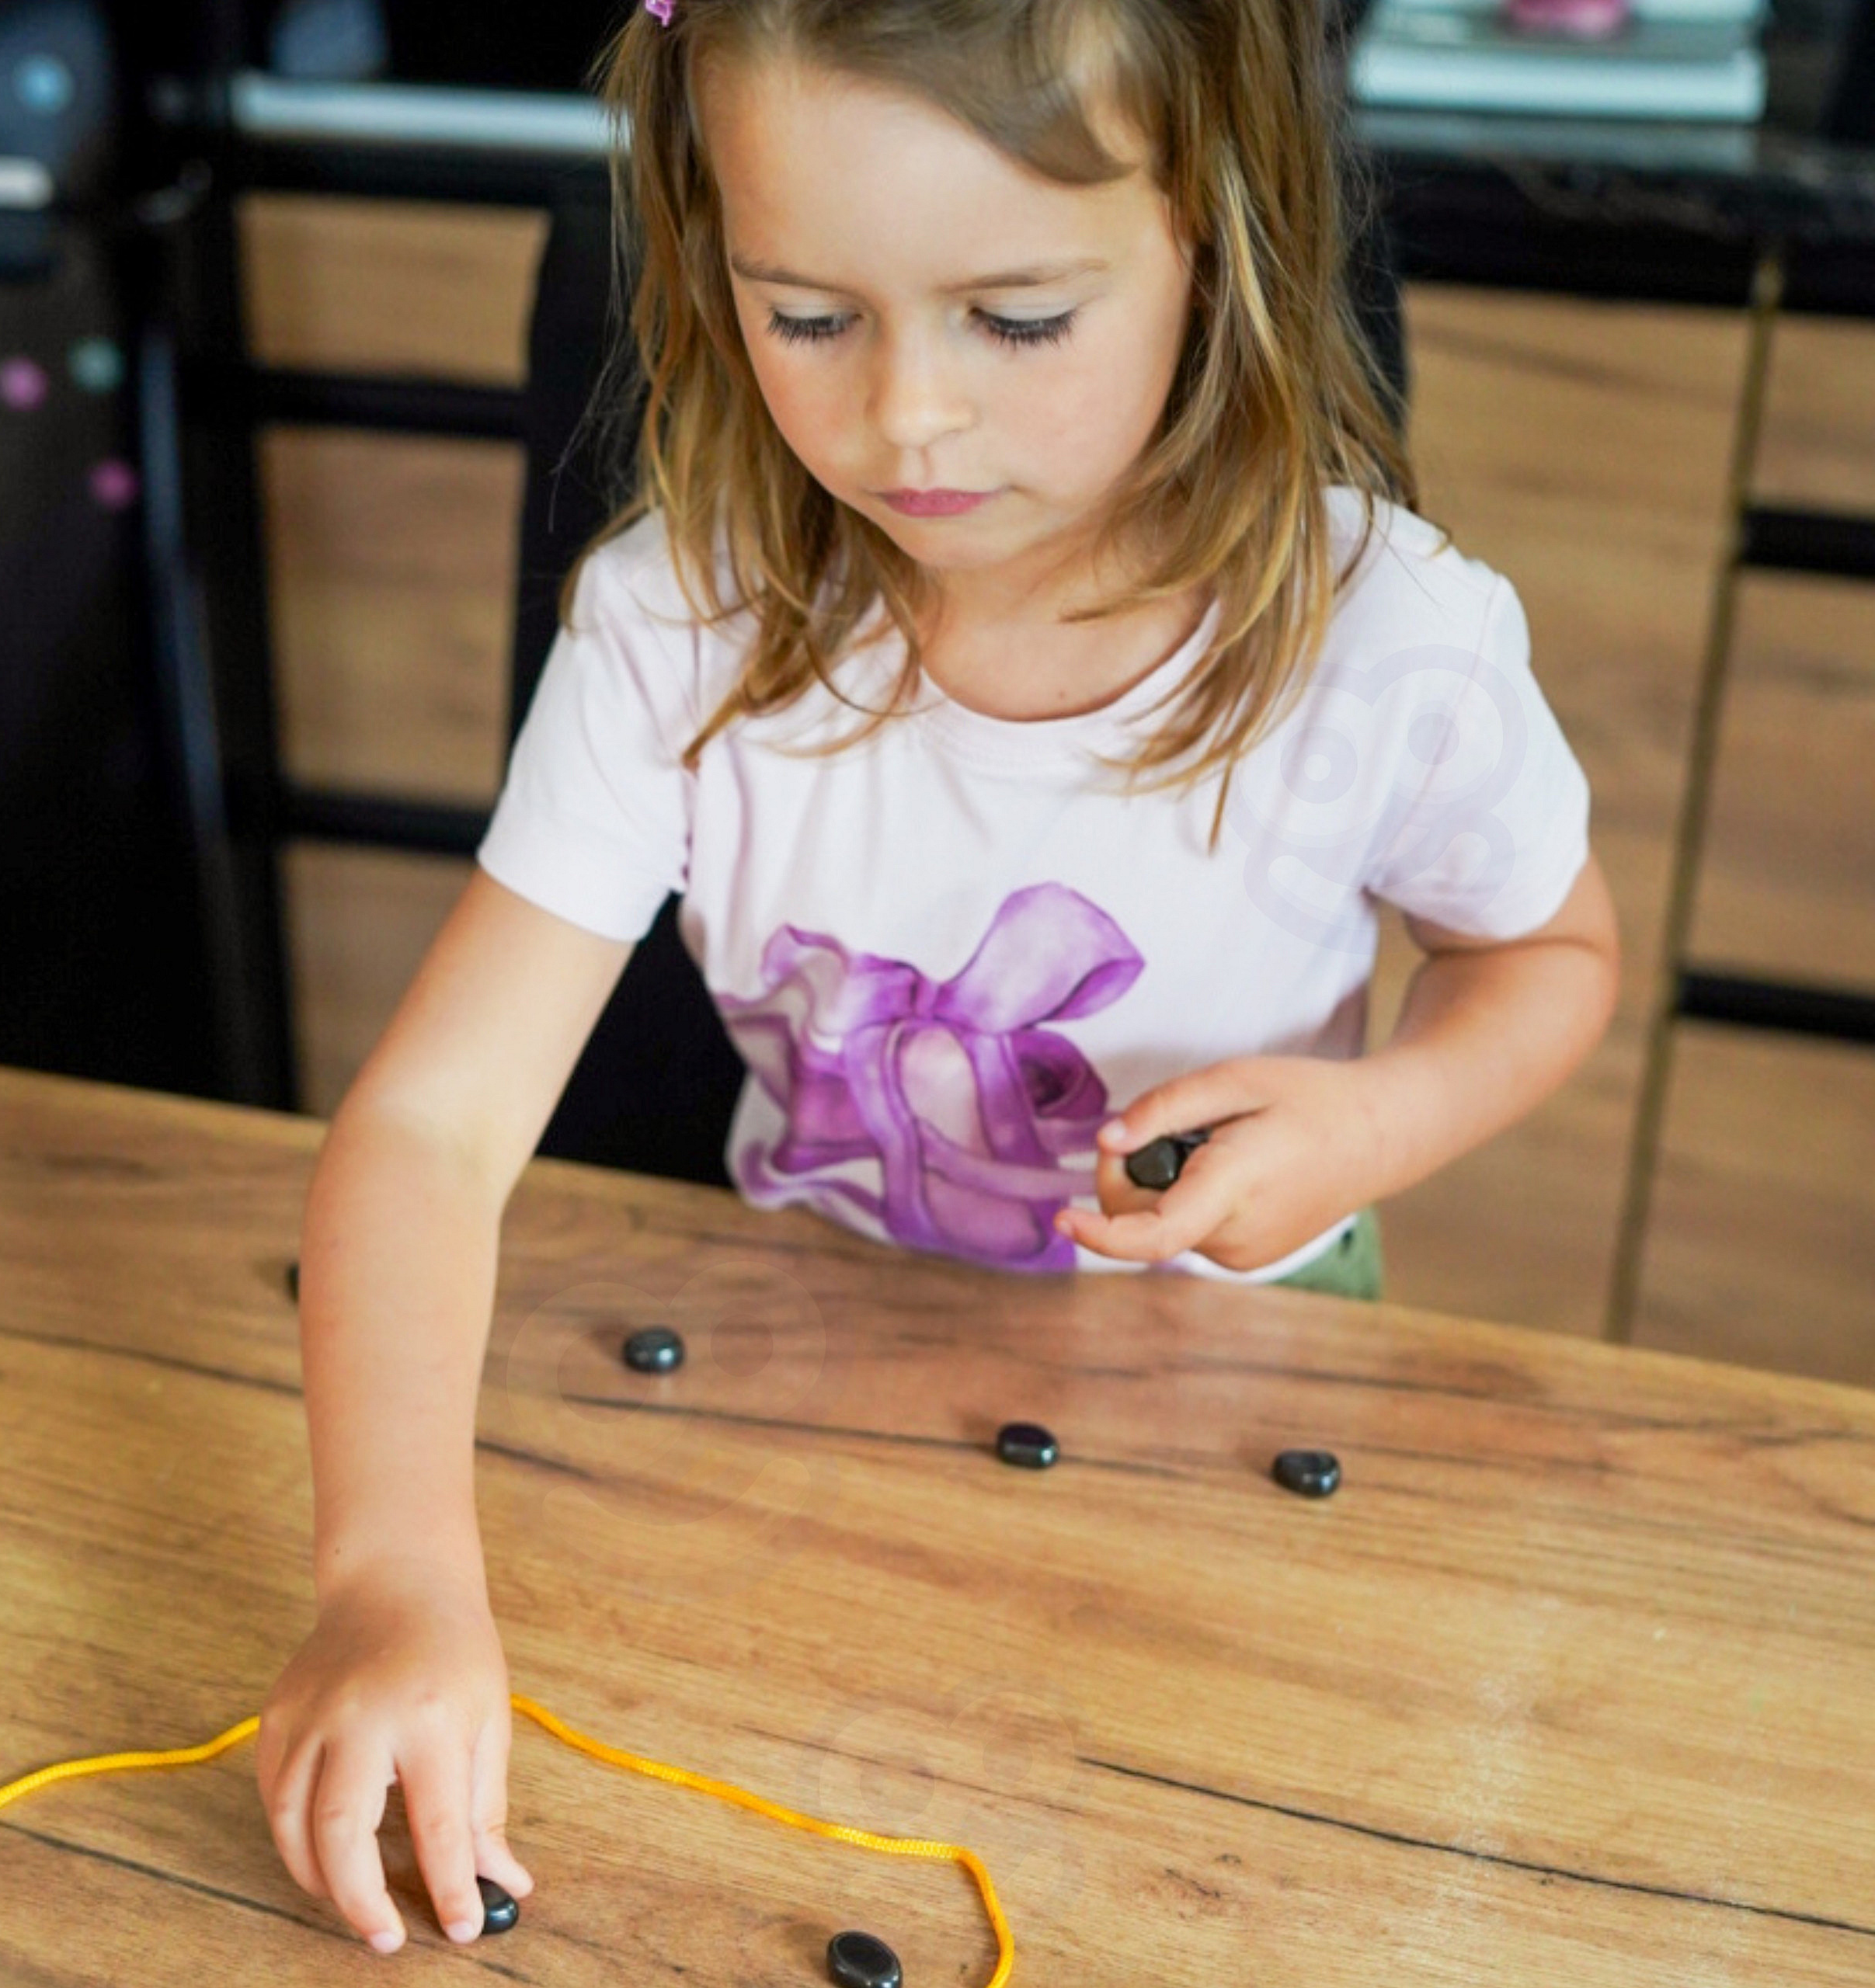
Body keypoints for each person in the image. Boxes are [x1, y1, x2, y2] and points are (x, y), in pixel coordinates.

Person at [257, 0, 1620, 1954]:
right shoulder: (675, 626)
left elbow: (1549, 953)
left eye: (1018, 319)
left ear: (1210, 234)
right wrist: (390, 1571)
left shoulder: (1385, 641)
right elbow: (429, 1125)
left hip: (1225, 1418)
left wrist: (1378, 1118)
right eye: (809, 315)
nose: (906, 416)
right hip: (804, 1390)